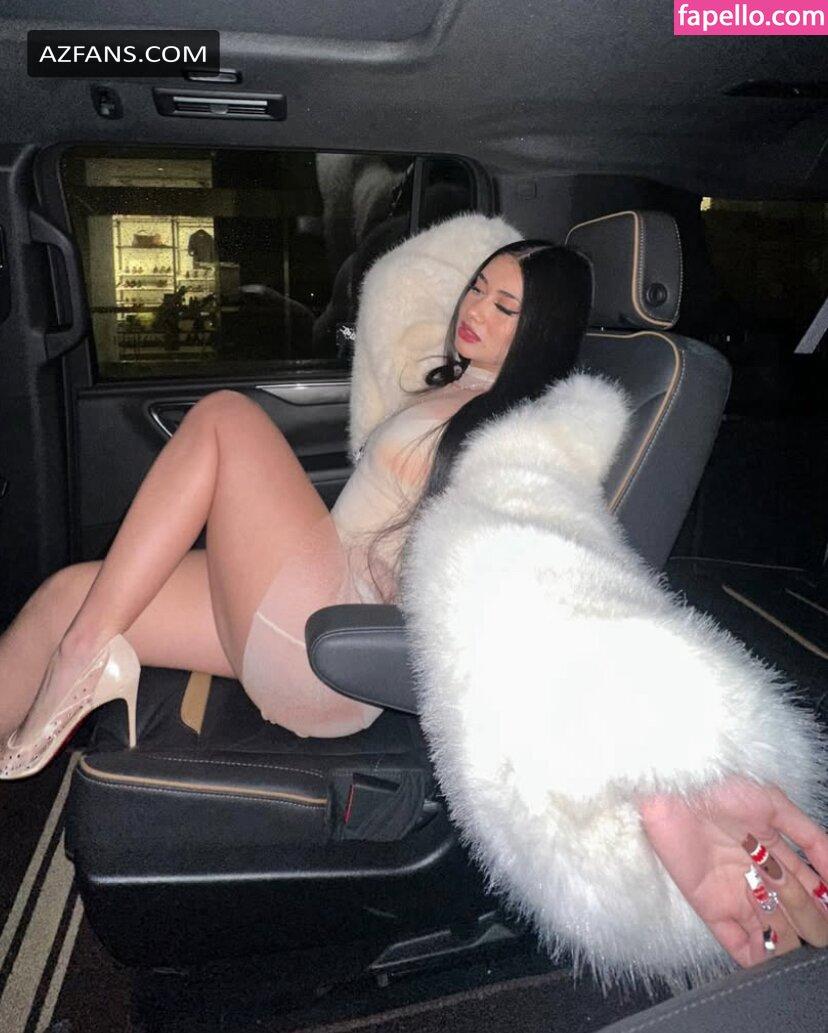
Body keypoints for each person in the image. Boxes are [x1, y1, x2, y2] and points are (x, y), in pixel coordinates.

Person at [1, 240, 826, 971]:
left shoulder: (525, 432)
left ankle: (83, 657)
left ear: (540, 329)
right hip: (303, 594)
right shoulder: (457, 389)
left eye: (507, 307)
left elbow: (535, 567)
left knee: (223, 419)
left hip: (324, 638)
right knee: (69, 593)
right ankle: (78, 646)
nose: (476, 309)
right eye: (479, 288)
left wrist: (669, 748)